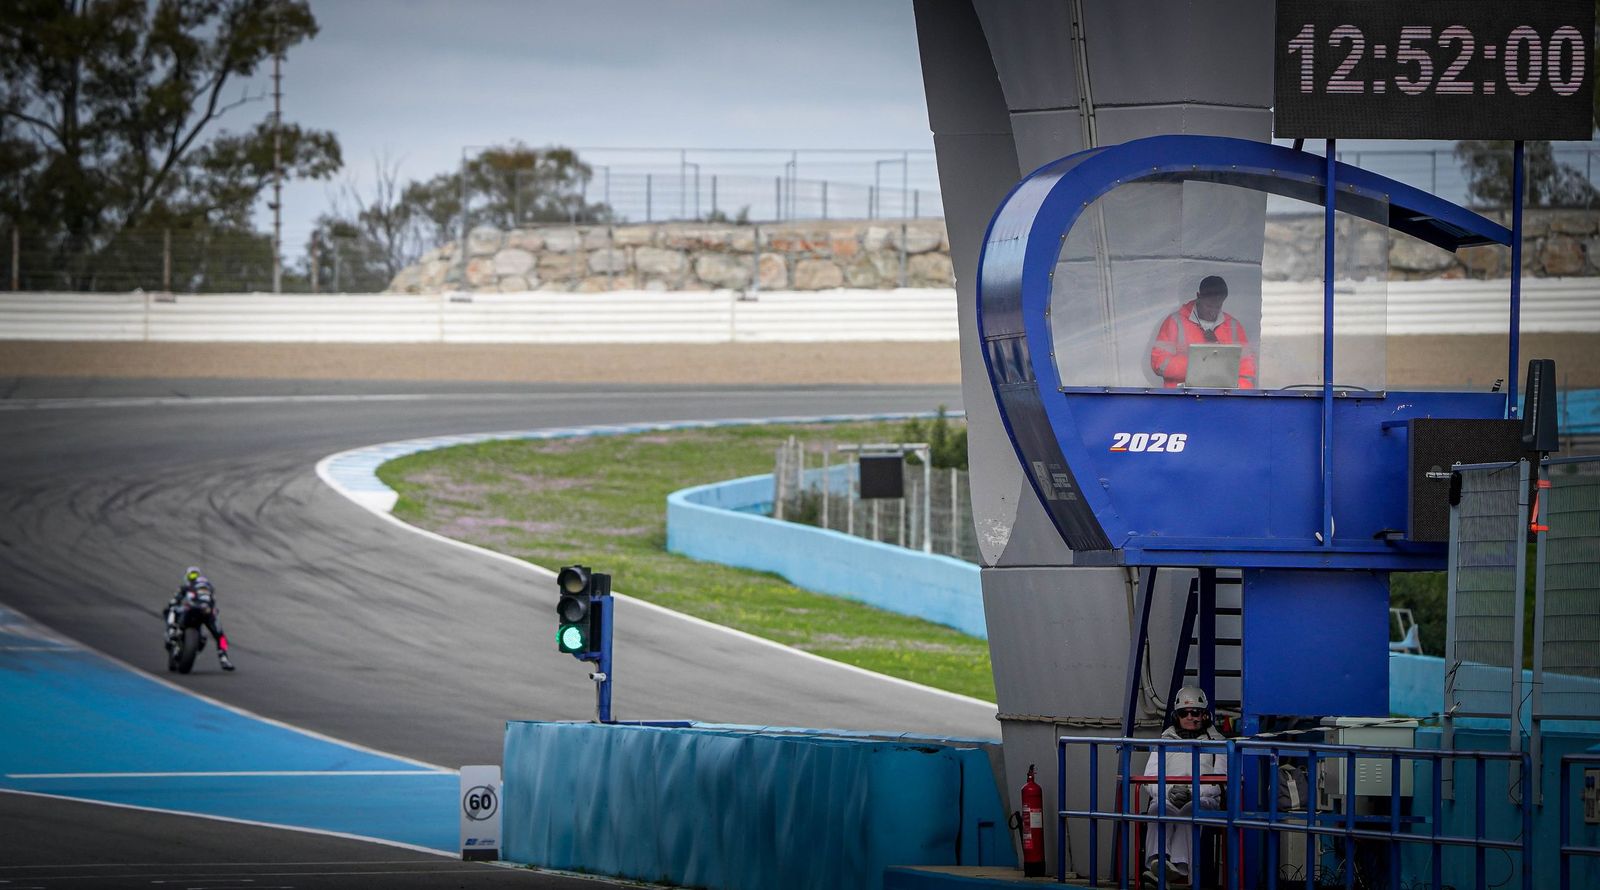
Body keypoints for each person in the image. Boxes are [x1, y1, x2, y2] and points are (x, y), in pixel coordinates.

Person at [1141, 686, 1227, 888]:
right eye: (1184, 713)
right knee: (1157, 809)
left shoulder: (1219, 744)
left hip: (1203, 799)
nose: (1190, 717)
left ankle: (1179, 872)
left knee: (1190, 811)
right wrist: (1168, 792)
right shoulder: (1163, 742)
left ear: (1204, 715)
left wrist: (1193, 793)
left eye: (1195, 712)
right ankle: (1158, 864)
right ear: (1176, 716)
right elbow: (1150, 777)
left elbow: (1222, 780)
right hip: (1169, 796)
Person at [1150, 275, 1258, 389]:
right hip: (1181, 400)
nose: (1213, 312)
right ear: (1198, 296)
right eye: (1209, 306)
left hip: (1223, 401)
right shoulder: (1174, 322)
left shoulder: (1234, 327)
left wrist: (1236, 394)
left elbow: (1247, 371)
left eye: (1218, 306)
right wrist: (1200, 367)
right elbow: (1159, 362)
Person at [166, 573, 234, 671]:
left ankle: (173, 631)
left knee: (173, 609)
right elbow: (214, 603)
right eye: (192, 575)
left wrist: (173, 603)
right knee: (221, 637)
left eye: (194, 575)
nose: (194, 577)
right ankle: (224, 658)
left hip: (192, 610)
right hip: (207, 612)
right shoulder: (209, 586)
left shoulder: (187, 585)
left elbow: (175, 599)